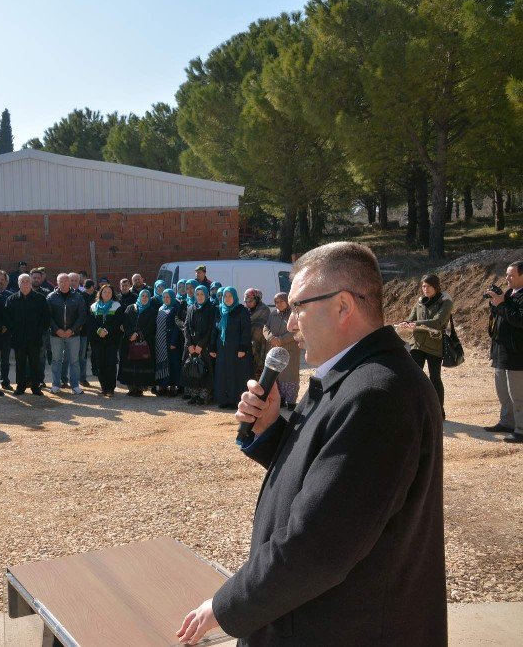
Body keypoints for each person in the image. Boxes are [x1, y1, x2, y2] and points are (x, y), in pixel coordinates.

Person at [177, 241, 446, 647]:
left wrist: (225, 607)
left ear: (343, 306)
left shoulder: (378, 393)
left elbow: (318, 545)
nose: (291, 323)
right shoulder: (353, 376)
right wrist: (270, 430)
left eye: (299, 306)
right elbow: (328, 467)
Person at [396, 274, 453, 415]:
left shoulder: (445, 301)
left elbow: (438, 322)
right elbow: (411, 318)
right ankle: (415, 409)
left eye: (428, 286)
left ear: (436, 286)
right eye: (423, 286)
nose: (425, 289)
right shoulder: (420, 301)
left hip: (434, 344)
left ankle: (439, 411)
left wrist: (414, 324)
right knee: (414, 376)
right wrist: (406, 323)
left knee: (435, 377)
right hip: (417, 343)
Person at [484, 260, 523, 443]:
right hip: (501, 350)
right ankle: (507, 422)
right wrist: (495, 303)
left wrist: (501, 305)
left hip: (517, 353)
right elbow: (501, 314)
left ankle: (521, 429)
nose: (507, 278)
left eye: (511, 275)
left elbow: (519, 320)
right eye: (507, 274)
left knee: (518, 394)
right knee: (503, 391)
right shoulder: (509, 293)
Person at [3, 274, 48, 396]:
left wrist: (39, 331)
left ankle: (35, 387)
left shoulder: (40, 299)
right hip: (19, 338)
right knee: (20, 363)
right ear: (18, 283)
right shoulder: (11, 299)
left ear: (31, 282)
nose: (25, 283)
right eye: (22, 281)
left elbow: (45, 318)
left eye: (27, 281)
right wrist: (13, 331)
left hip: (35, 337)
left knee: (35, 363)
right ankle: (21, 386)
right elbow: (7, 318)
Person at [210, 287, 252, 409]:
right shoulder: (219, 310)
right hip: (222, 349)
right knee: (223, 373)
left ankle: (235, 400)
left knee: (236, 374)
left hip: (236, 349)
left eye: (230, 296)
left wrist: (243, 348)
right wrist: (212, 347)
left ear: (234, 297)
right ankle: (224, 399)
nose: (227, 299)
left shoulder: (241, 310)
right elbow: (215, 330)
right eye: (225, 296)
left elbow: (246, 331)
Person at [47, 273, 87, 395]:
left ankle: (75, 385)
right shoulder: (51, 297)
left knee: (74, 361)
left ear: (70, 282)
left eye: (66, 281)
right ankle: (55, 385)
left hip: (73, 335)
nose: (64, 283)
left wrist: (72, 330)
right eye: (61, 281)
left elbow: (82, 315)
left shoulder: (78, 297)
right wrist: (57, 330)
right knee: (56, 360)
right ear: (57, 283)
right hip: (56, 335)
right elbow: (48, 316)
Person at [262, 292, 301, 409]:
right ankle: (281, 400)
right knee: (277, 375)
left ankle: (291, 402)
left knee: (290, 375)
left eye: (281, 301)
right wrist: (271, 338)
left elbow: (296, 330)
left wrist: (281, 340)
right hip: (275, 349)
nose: (278, 304)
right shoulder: (273, 314)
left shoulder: (294, 314)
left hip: (290, 350)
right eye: (276, 302)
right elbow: (265, 327)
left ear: (287, 301)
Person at [118, 290, 156, 396]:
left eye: (146, 296)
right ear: (139, 297)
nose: (144, 298)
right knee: (129, 363)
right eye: (142, 296)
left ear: (149, 298)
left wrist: (138, 335)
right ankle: (131, 388)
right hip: (129, 341)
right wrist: (131, 334)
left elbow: (151, 326)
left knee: (141, 364)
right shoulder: (130, 308)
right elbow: (125, 323)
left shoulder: (152, 311)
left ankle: (140, 389)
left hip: (144, 343)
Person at [184, 285, 217, 405]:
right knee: (193, 369)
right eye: (197, 294)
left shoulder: (211, 308)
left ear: (206, 295)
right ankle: (194, 395)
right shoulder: (191, 308)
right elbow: (186, 327)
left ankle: (204, 396)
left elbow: (210, 329)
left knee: (205, 370)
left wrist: (201, 344)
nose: (199, 297)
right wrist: (189, 344)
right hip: (192, 346)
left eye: (202, 294)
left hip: (204, 345)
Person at [88, 284, 122, 396]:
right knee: (100, 363)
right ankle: (104, 387)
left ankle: (111, 388)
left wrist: (106, 331)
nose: (107, 294)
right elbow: (91, 322)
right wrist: (99, 331)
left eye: (109, 292)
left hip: (112, 340)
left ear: (112, 294)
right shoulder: (93, 307)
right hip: (97, 340)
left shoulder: (117, 306)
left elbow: (117, 322)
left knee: (111, 364)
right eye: (104, 292)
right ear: (100, 293)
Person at [155, 289, 182, 396]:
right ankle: (162, 385)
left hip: (170, 340)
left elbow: (177, 327)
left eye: (168, 297)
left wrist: (173, 341)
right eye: (164, 297)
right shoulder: (161, 307)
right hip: (160, 340)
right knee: (161, 361)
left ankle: (172, 387)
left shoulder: (176, 308)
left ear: (172, 297)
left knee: (172, 363)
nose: (166, 299)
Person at [244, 288, 271, 380]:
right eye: (246, 300)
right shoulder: (246, 311)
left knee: (259, 370)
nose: (248, 303)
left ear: (257, 299)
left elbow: (261, 330)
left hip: (261, 343)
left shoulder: (264, 310)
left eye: (251, 300)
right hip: (248, 344)